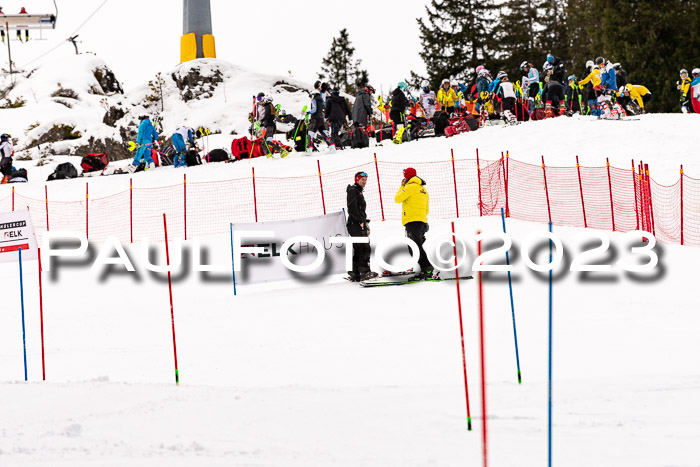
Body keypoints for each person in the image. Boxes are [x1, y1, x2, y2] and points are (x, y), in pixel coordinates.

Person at [394, 167, 432, 279]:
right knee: (415, 246)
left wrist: (402, 186)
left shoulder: (409, 187)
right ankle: (424, 267)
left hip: (412, 221)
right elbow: (427, 209)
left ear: (407, 177)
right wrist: (424, 221)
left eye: (404, 176)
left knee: (414, 247)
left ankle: (427, 268)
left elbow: (397, 198)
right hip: (421, 221)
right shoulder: (423, 189)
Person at [346, 172, 377, 281]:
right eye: (362, 179)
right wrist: (360, 221)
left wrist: (364, 220)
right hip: (355, 224)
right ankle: (365, 272)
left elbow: (359, 209)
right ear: (357, 179)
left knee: (359, 248)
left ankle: (355, 272)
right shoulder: (354, 191)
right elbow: (352, 209)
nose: (364, 182)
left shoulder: (357, 191)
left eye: (365, 180)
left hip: (356, 223)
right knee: (364, 248)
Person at [308, 80, 334, 151]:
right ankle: (332, 147)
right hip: (321, 119)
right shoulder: (321, 99)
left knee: (310, 134)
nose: (310, 98)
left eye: (310, 96)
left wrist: (307, 112)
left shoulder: (314, 99)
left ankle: (309, 149)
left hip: (315, 119)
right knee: (324, 133)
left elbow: (314, 109)